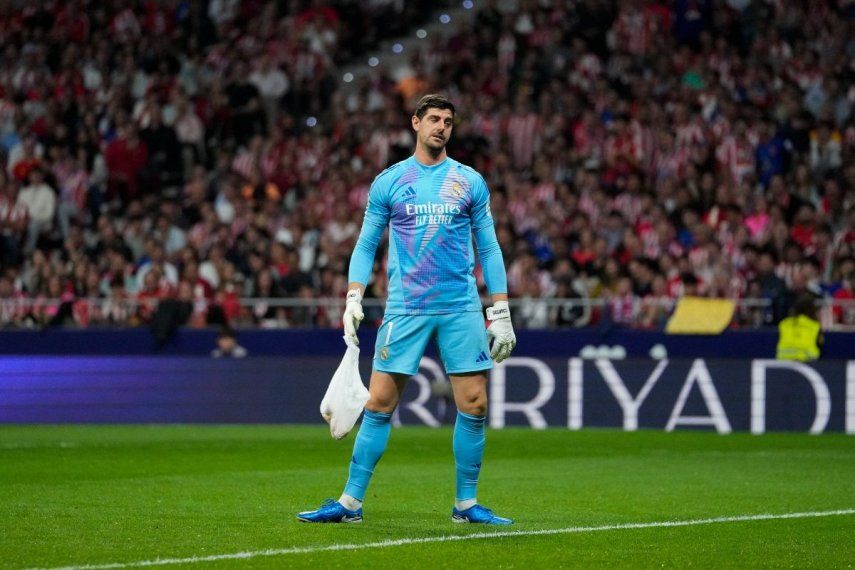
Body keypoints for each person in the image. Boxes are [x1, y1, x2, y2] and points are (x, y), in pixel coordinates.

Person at [297, 94, 516, 525]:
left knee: (474, 404)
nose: (441, 126)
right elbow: (365, 245)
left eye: (448, 121)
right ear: (416, 123)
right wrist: (354, 295)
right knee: (379, 404)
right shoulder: (390, 181)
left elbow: (488, 247)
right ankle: (349, 504)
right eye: (433, 119)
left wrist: (502, 310)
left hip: (460, 308)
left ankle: (466, 505)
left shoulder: (469, 182)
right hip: (406, 308)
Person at [775, 293, 823, 361]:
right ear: (812, 309)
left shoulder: (784, 324)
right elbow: (820, 346)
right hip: (808, 365)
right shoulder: (814, 326)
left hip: (783, 363)